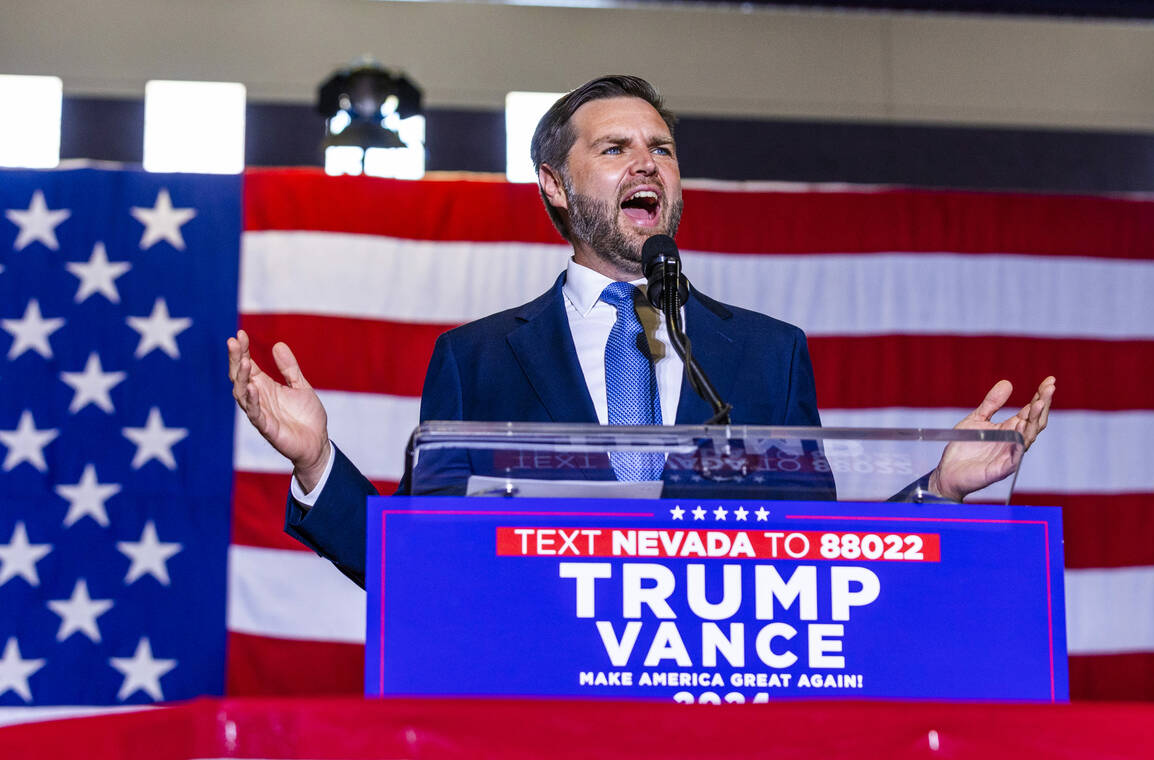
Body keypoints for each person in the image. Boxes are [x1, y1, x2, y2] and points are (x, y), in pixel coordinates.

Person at [227, 75, 1055, 587]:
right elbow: (416, 571)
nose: (648, 163)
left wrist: (939, 491)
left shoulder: (765, 353)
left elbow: (826, 557)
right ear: (555, 185)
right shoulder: (477, 359)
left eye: (661, 148)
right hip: (542, 711)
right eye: (616, 147)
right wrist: (316, 462)